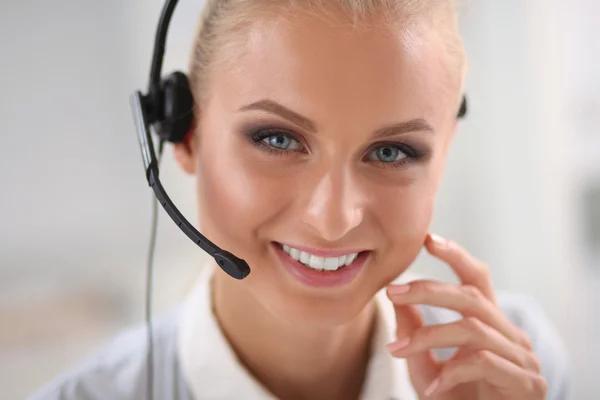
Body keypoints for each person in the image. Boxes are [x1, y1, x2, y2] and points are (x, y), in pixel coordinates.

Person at [29, 0, 571, 399]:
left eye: (390, 152)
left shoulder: (514, 367)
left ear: (444, 155)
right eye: (277, 139)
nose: (333, 220)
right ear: (184, 133)